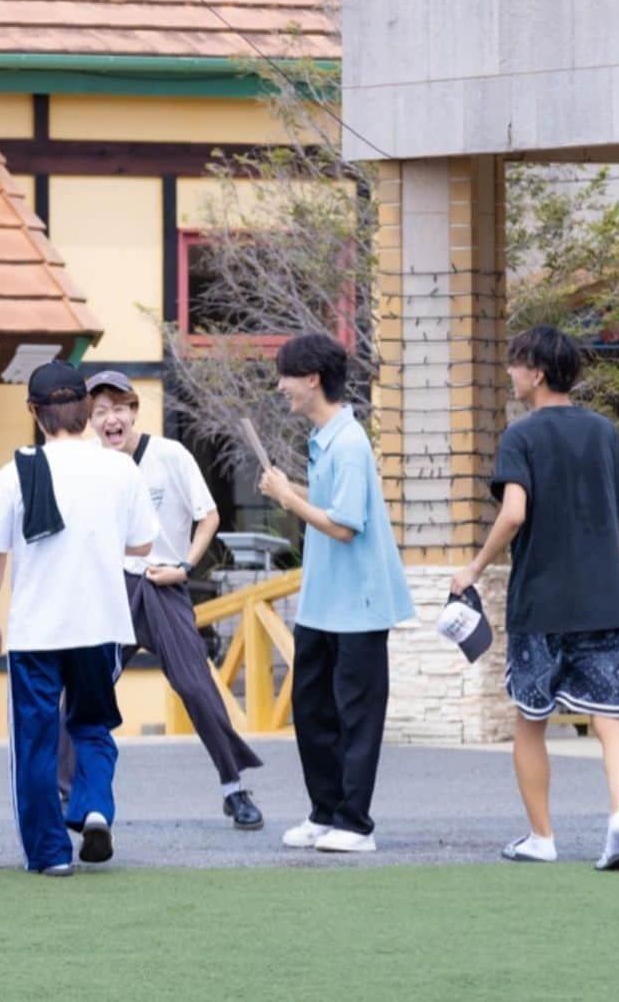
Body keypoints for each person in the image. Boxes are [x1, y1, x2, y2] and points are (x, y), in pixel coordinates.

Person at [451, 326, 619, 871]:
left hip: (541, 603)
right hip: (604, 601)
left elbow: (513, 513)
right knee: (610, 719)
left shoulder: (522, 436)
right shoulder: (605, 432)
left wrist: (472, 567)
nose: (510, 374)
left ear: (536, 373)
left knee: (531, 719)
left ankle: (542, 837)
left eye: (516, 365)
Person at [0, 360, 159, 876]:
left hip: (38, 629)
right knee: (94, 725)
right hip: (102, 623)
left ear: (34, 413)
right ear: (85, 409)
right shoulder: (121, 468)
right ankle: (95, 807)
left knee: (34, 741)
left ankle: (50, 854)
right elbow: (143, 541)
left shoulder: (15, 473)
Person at [64, 369, 263, 828]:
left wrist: (187, 567)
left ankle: (234, 788)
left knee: (195, 685)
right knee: (80, 689)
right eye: (99, 412)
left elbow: (208, 516)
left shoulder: (170, 455)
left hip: (164, 584)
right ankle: (64, 791)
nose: (110, 419)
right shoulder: (89, 462)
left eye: (118, 409)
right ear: (90, 421)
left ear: (134, 412)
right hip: (111, 588)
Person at [259, 333, 414, 853]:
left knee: (356, 717)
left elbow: (345, 526)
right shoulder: (325, 439)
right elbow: (328, 504)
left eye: (286, 376)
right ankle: (324, 813)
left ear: (312, 379)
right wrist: (290, 490)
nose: (280, 386)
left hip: (359, 605)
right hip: (323, 604)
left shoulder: (347, 443)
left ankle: (355, 824)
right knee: (313, 712)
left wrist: (287, 497)